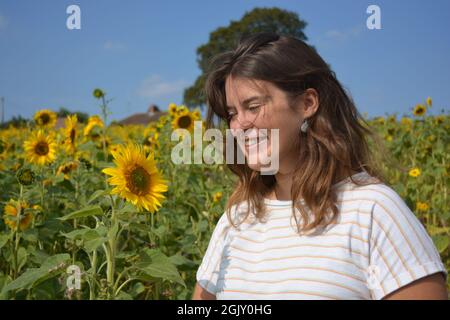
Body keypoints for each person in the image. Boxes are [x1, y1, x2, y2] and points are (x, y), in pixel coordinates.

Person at [192, 32, 448, 300]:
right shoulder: (236, 220)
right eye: (232, 113)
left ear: (307, 103)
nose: (239, 125)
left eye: (253, 106)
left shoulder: (373, 212)